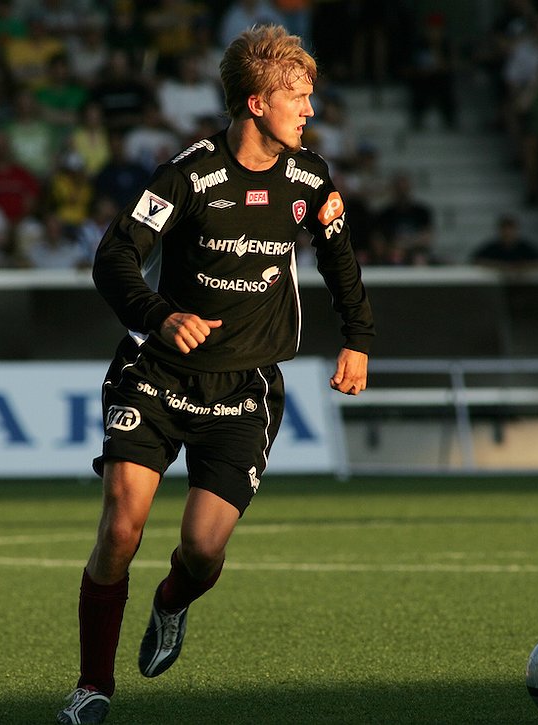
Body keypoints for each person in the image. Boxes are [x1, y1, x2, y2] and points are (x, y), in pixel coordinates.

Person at [56, 24, 373, 725]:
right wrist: (161, 313)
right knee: (119, 529)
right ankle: (91, 685)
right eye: (298, 96)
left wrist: (357, 338)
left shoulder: (310, 178)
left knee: (200, 548)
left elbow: (340, 258)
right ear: (255, 103)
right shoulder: (188, 174)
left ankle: (171, 603)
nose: (310, 110)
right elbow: (113, 256)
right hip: (157, 373)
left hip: (245, 388)